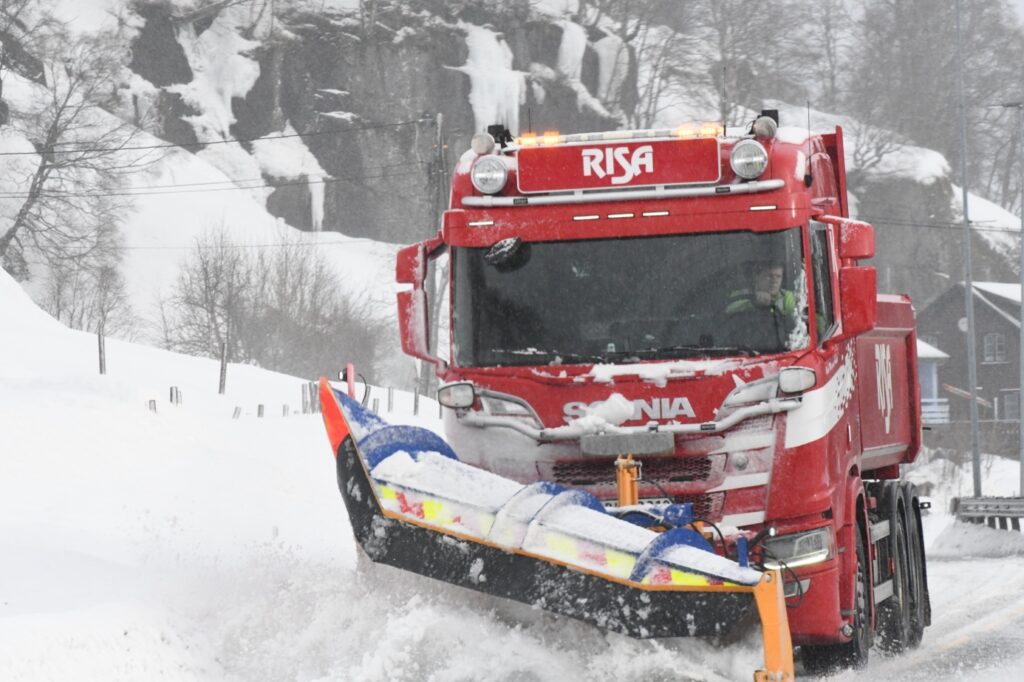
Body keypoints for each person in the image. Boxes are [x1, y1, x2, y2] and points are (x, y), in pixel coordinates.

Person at [725, 261, 796, 317]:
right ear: (757, 277)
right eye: (770, 276)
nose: (774, 281)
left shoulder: (787, 296)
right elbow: (729, 310)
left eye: (778, 276)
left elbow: (794, 320)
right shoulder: (742, 294)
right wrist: (753, 303)